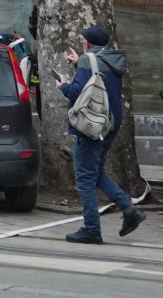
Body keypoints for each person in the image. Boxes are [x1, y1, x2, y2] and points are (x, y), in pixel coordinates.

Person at [57, 26, 146, 244]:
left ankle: (92, 229)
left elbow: (76, 91)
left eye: (83, 40)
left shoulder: (89, 60)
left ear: (87, 43)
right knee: (95, 173)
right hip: (110, 124)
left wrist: (62, 85)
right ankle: (129, 210)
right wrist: (81, 63)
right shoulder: (110, 59)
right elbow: (99, 79)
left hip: (91, 125)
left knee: (85, 178)